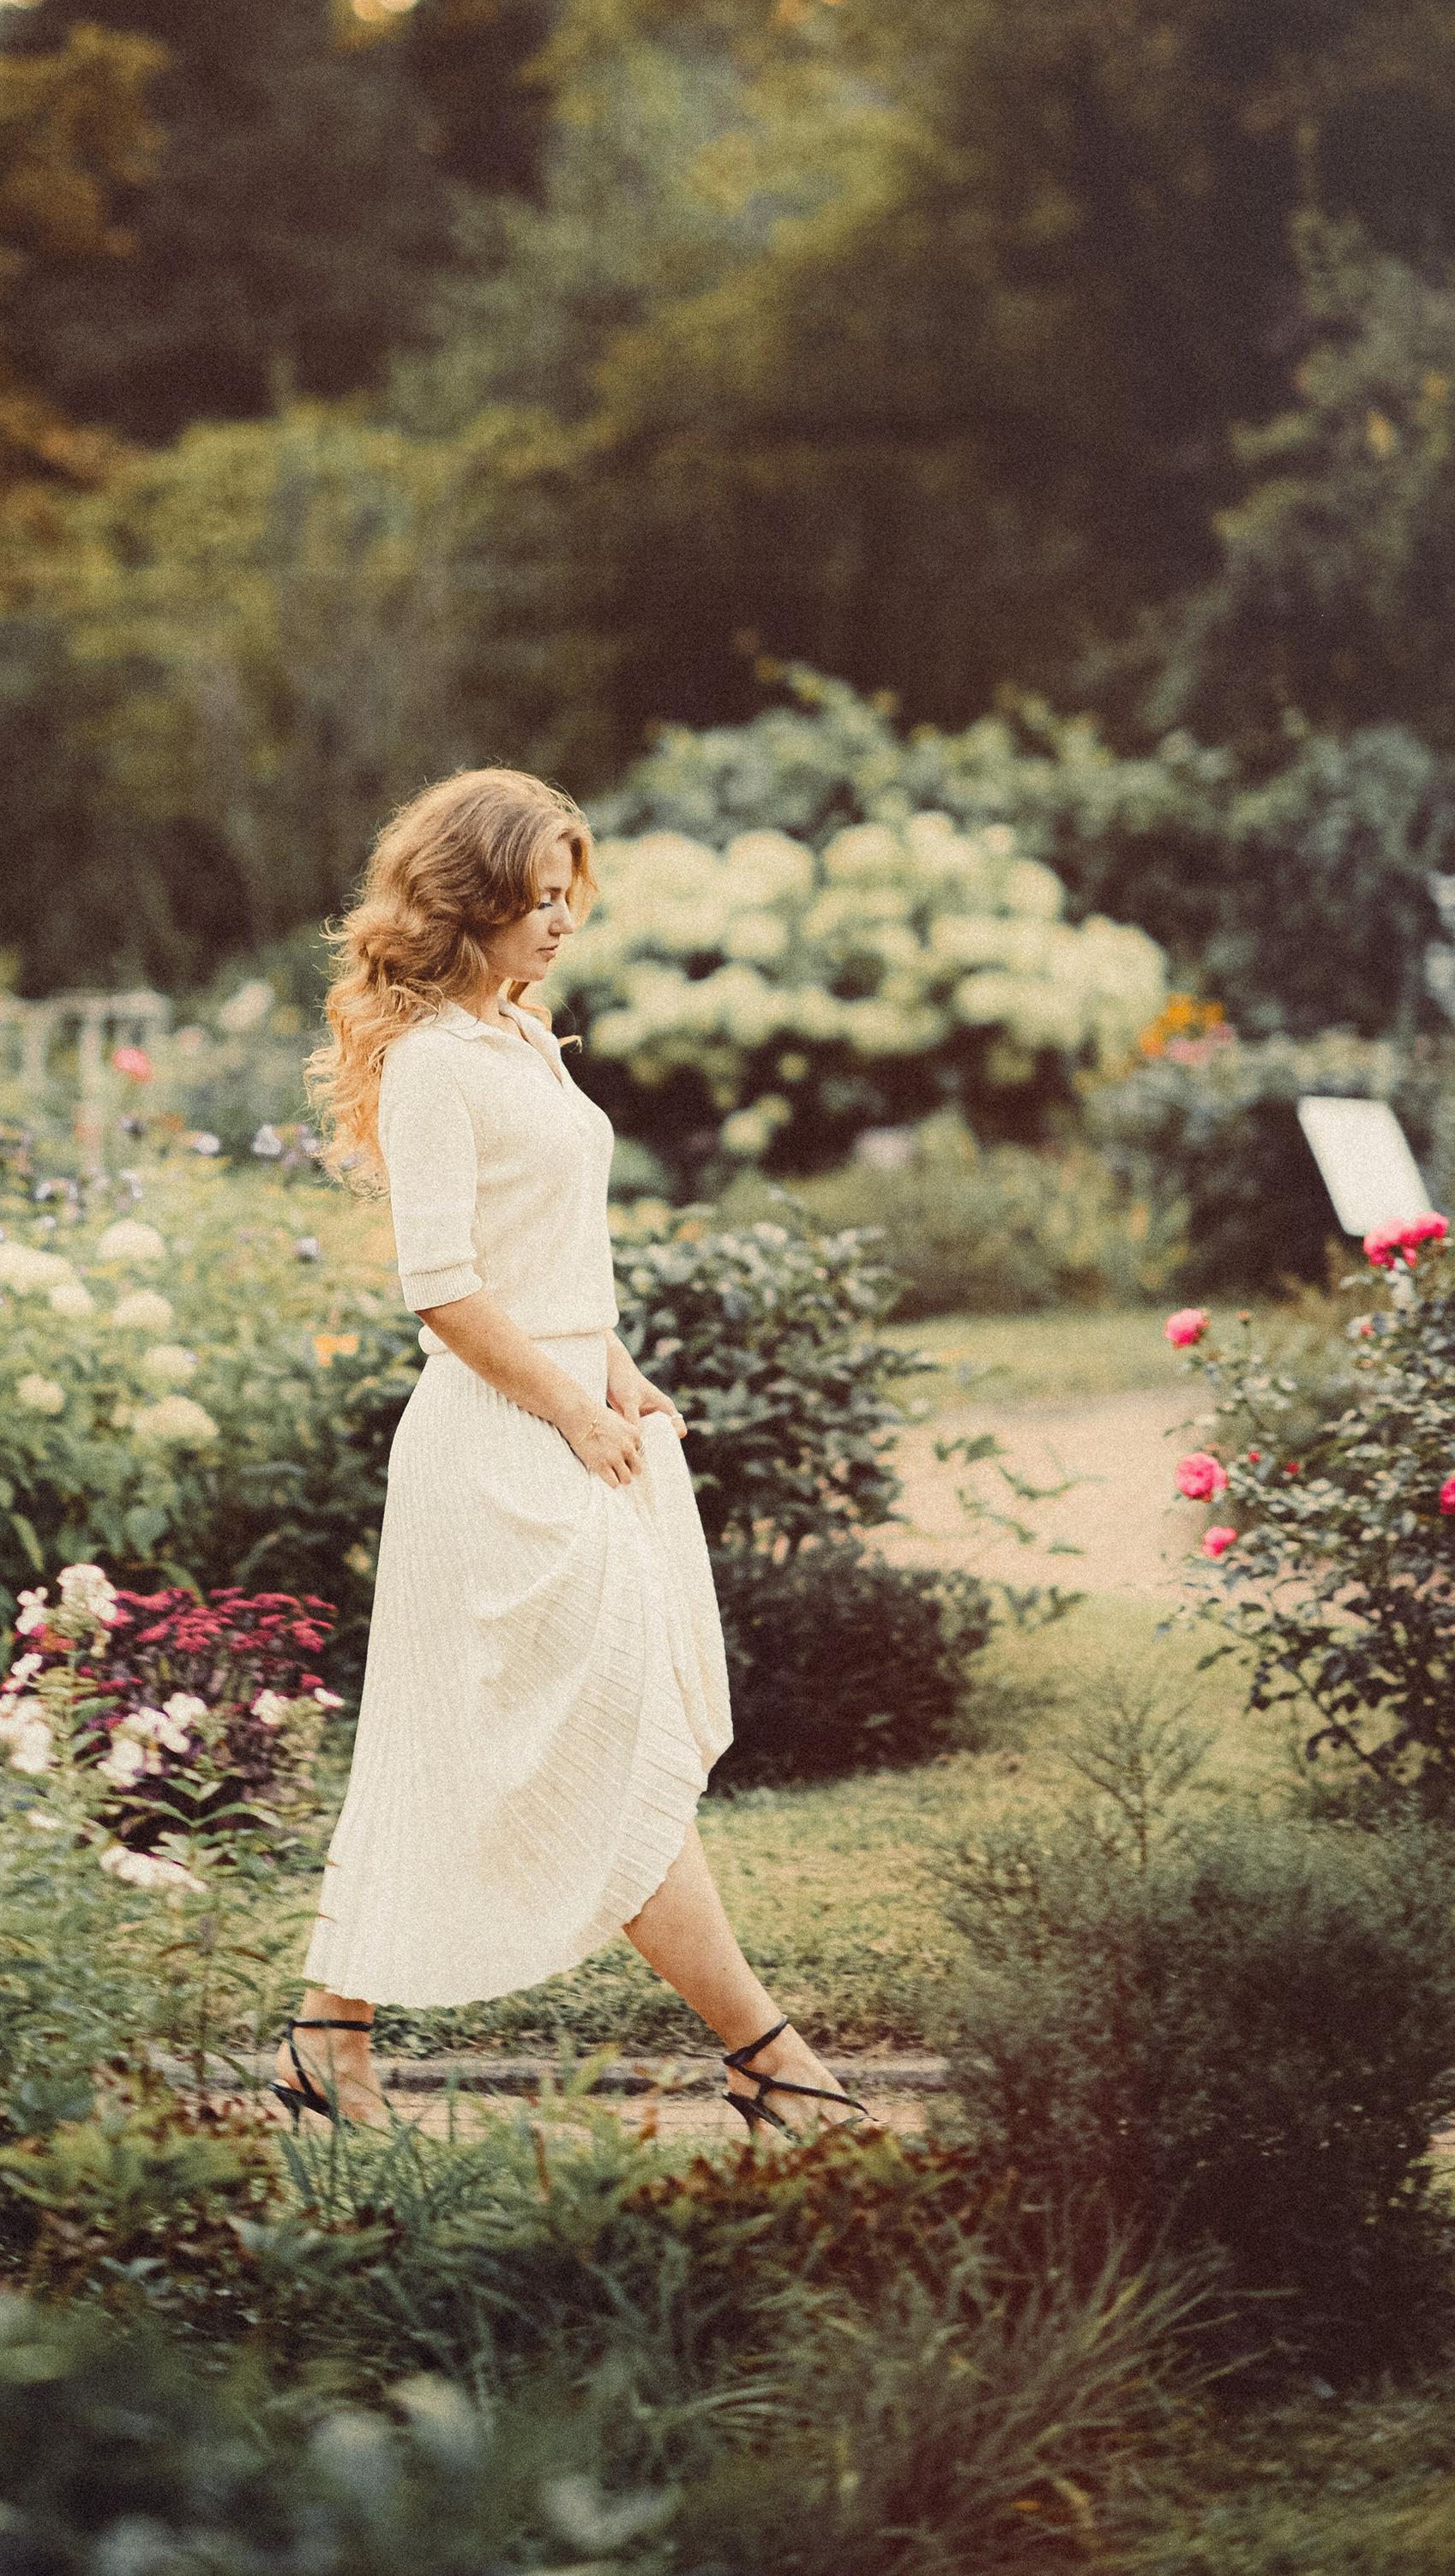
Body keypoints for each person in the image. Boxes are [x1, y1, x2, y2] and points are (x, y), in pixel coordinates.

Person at [274, 766, 860, 2138]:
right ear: (468, 903)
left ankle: (324, 2037)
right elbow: (445, 1288)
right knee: (604, 1739)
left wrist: (620, 1370)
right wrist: (570, 1404)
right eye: (536, 901)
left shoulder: (523, 1036)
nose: (560, 926)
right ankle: (766, 2052)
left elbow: (556, 1256)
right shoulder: (429, 1065)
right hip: (495, 1449)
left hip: (569, 1422)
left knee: (491, 1743)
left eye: (565, 900)